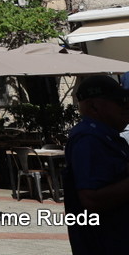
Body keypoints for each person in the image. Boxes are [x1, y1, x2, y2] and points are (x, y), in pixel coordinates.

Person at [63, 74, 129, 255]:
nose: (126, 107)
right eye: (120, 101)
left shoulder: (107, 136)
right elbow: (91, 199)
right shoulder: (89, 139)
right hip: (106, 243)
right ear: (94, 106)